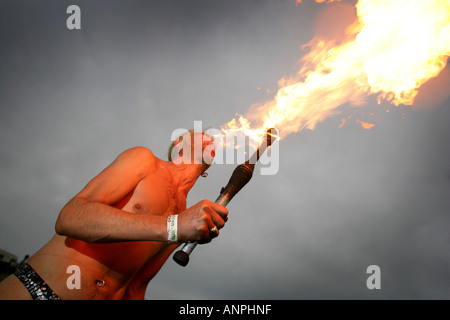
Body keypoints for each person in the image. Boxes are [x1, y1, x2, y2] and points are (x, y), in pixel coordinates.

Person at [0, 130, 228, 299]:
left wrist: (176, 227)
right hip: (38, 291)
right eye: (200, 134)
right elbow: (70, 217)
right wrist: (172, 227)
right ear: (180, 143)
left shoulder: (186, 216)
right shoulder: (145, 160)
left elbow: (137, 285)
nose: (210, 138)